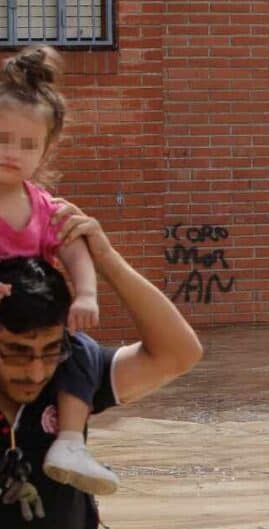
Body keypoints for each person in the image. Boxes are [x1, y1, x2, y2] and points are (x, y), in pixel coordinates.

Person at [0, 202, 203, 529]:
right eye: (14, 352)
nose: (35, 372)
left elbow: (178, 353)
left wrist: (105, 260)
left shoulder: (70, 384)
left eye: (49, 351)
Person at [0, 46, 116, 495]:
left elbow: (73, 251)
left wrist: (86, 294)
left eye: (29, 145)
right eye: (3, 139)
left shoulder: (45, 207)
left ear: (46, 150)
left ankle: (69, 442)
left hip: (35, 320)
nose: (14, 152)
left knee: (81, 352)